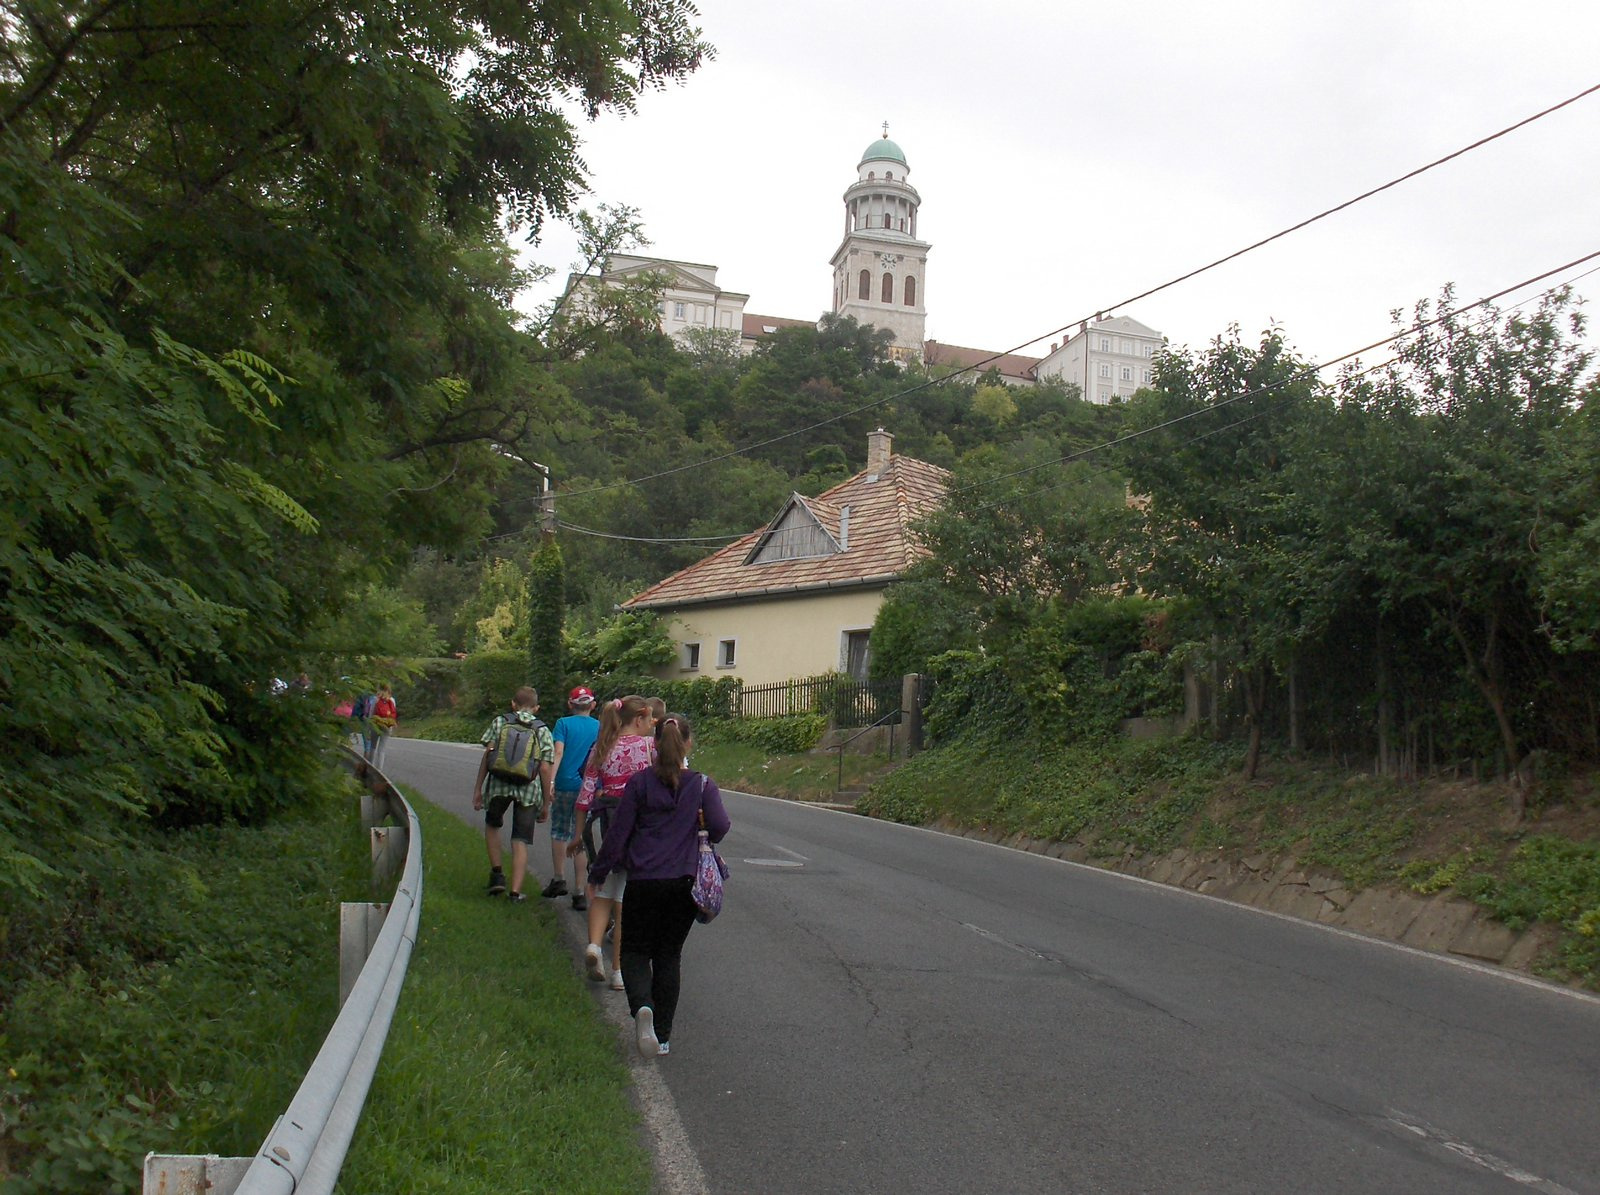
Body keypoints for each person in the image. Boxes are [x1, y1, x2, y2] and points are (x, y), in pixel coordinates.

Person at [589, 711, 729, 1058]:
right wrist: (701, 830)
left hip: (643, 880)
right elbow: (721, 826)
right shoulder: (702, 784)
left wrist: (599, 871)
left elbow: (619, 834)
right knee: (669, 955)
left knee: (635, 951)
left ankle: (642, 1008)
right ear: (689, 743)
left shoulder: (639, 784)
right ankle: (662, 1036)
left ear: (654, 744)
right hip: (684, 882)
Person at [569, 695, 656, 990]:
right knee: (624, 901)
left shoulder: (601, 747)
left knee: (601, 887)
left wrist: (578, 835)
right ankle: (619, 971)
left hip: (600, 823)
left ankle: (593, 946)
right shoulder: (648, 748)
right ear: (640, 719)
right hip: (634, 829)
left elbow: (585, 795)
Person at [473, 686, 555, 903]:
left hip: (498, 785)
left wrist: (478, 790)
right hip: (528, 791)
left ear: (513, 704)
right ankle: (515, 893)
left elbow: (488, 755)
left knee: (493, 825)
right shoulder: (542, 730)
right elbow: (545, 769)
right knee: (520, 839)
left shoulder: (501, 722)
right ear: (536, 708)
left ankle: (498, 874)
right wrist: (546, 802)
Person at [545, 686, 601, 910]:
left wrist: (550, 780)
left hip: (565, 784)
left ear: (570, 704)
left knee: (560, 830)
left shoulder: (563, 724)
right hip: (587, 786)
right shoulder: (599, 726)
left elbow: (557, 752)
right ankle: (579, 890)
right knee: (580, 836)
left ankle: (559, 878)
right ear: (593, 705)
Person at [368, 684, 398, 770]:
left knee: (373, 747)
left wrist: (369, 727)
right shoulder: (392, 700)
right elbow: (393, 714)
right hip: (387, 726)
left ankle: (370, 767)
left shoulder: (376, 699)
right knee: (382, 750)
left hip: (376, 725)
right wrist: (391, 727)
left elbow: (371, 713)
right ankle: (379, 770)